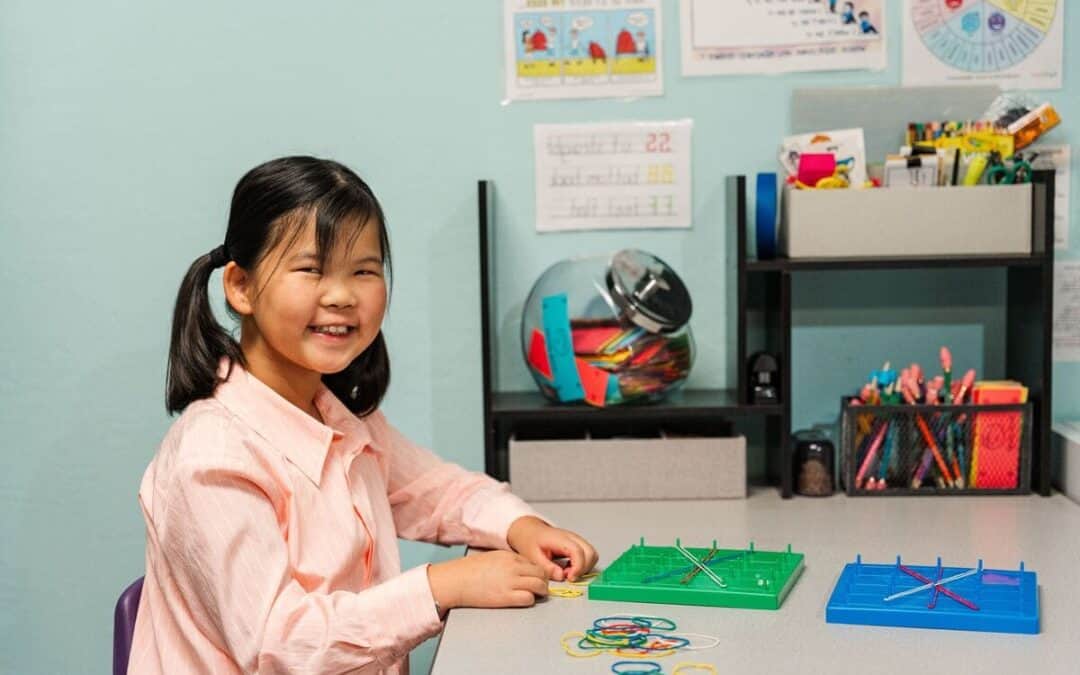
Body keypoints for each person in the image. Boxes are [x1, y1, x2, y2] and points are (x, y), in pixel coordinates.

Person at [127, 156, 598, 674]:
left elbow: (436, 491)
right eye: (310, 269)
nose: (342, 295)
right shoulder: (211, 457)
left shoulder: (338, 417)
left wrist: (519, 525)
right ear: (240, 286)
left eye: (364, 271)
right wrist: (440, 588)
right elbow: (279, 645)